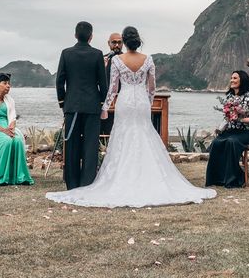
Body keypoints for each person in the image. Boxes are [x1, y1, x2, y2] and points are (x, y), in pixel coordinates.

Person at [46, 26, 216, 207]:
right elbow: (152, 88)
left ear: (124, 42)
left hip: (124, 102)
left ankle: (96, 180)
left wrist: (104, 107)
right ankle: (147, 178)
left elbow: (111, 88)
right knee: (144, 136)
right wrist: (148, 102)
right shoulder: (148, 59)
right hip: (141, 103)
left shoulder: (117, 60)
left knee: (122, 137)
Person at [54, 21, 108, 190]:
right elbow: (103, 84)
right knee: (90, 147)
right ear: (91, 36)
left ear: (75, 35)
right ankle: (87, 183)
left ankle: (72, 184)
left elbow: (59, 81)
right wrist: (100, 102)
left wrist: (63, 103)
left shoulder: (66, 53)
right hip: (92, 107)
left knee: (72, 146)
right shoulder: (97, 54)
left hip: (72, 106)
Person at [205, 71, 249, 188]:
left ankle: (236, 178)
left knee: (231, 142)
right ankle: (217, 179)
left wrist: (239, 118)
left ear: (242, 80)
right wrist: (221, 128)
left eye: (235, 78)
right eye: (231, 78)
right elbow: (227, 117)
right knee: (216, 142)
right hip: (232, 131)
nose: (232, 80)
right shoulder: (229, 96)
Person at [101, 32, 123, 137]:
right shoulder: (101, 59)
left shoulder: (127, 59)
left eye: (119, 42)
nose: (117, 45)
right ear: (108, 43)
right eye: (114, 42)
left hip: (123, 100)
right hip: (105, 100)